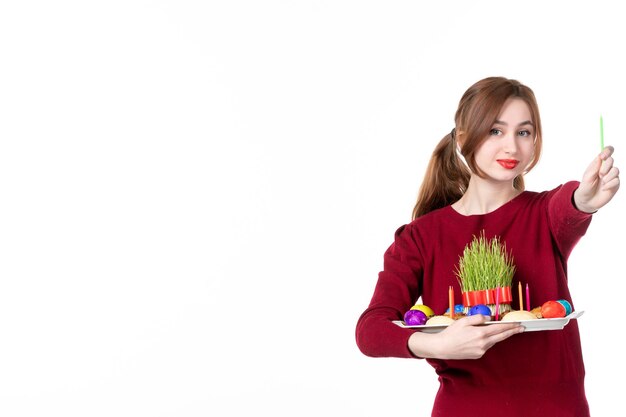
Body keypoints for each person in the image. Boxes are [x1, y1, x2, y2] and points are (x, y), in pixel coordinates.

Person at [355, 76, 620, 416]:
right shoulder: (420, 236)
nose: (511, 147)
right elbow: (370, 330)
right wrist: (436, 343)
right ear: (464, 137)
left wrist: (584, 199)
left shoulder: (543, 214)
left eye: (523, 132)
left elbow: (568, 203)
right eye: (496, 131)